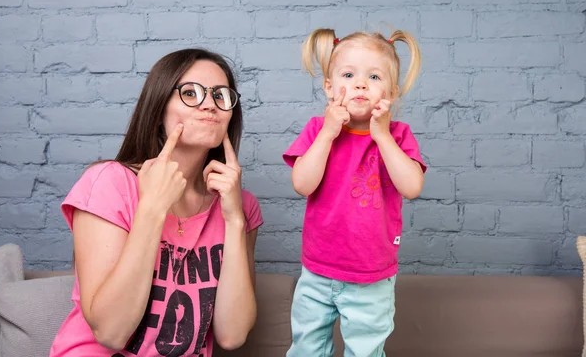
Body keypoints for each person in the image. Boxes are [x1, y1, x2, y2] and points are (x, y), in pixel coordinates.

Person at [50, 48, 263, 357]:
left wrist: (234, 221)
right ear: (159, 108)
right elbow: (111, 332)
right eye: (190, 93)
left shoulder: (240, 206)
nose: (209, 105)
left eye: (221, 95)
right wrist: (152, 208)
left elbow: (232, 335)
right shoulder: (109, 183)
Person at [283, 28, 427, 356]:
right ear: (330, 87)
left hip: (371, 276)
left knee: (365, 350)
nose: (361, 84)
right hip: (317, 270)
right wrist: (328, 134)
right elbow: (302, 184)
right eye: (349, 74)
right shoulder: (318, 131)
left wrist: (382, 136)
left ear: (390, 92)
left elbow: (412, 186)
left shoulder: (398, 135)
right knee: (306, 348)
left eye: (374, 77)